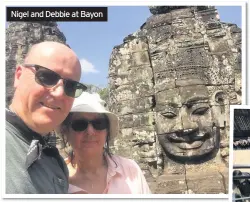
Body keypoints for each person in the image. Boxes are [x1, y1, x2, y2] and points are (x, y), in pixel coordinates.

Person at [6, 41, 87, 194]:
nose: (59, 93)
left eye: (71, 86)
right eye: (47, 77)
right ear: (18, 75)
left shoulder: (55, 162)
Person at [57, 92, 151, 194]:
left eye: (99, 123)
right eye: (80, 124)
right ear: (65, 131)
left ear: (107, 131)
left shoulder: (130, 170)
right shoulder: (55, 180)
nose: (90, 132)